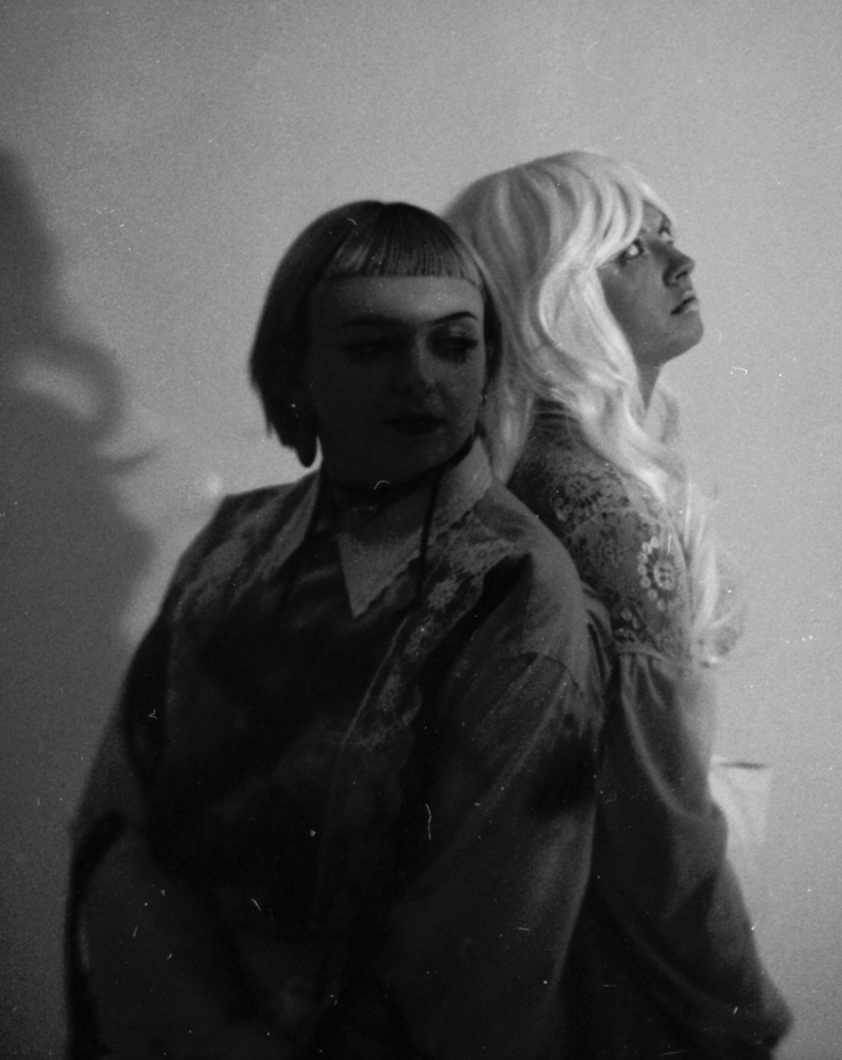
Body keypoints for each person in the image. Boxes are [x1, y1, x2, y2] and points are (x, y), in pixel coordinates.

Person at [65, 202, 607, 1059]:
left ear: (489, 361)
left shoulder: (517, 592)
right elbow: (116, 822)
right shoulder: (232, 545)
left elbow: (487, 953)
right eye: (370, 346)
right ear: (296, 370)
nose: (419, 379)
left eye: (453, 343)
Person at [447, 151, 792, 1059]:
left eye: (665, 235)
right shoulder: (596, 504)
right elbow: (656, 825)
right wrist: (739, 1013)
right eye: (630, 249)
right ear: (552, 296)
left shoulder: (528, 472)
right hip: (607, 980)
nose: (680, 263)